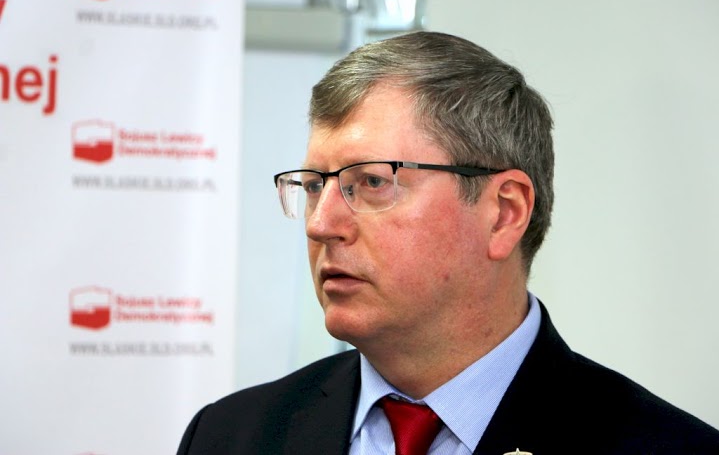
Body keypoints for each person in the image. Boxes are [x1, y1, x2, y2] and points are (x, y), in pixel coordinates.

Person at [177, 31, 719, 454]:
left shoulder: (664, 447)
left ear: (504, 213)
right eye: (316, 186)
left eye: (372, 182)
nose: (321, 224)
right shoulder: (230, 436)